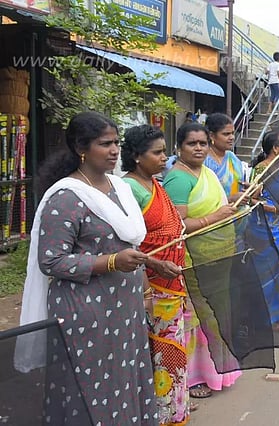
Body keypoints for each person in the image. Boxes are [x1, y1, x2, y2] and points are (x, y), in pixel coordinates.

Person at [18, 111, 157, 424]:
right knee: (92, 383)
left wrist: (151, 264)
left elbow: (126, 245)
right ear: (81, 148)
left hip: (124, 309)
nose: (114, 150)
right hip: (86, 313)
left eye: (116, 143)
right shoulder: (66, 197)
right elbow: (51, 260)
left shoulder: (119, 188)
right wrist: (111, 262)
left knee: (124, 378)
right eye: (105, 144)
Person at [162, 122, 241, 400]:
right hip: (195, 259)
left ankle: (219, 370)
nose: (198, 148)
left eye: (203, 143)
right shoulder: (178, 178)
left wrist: (233, 201)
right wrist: (214, 218)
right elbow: (177, 226)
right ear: (179, 147)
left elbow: (212, 204)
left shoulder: (205, 172)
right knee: (200, 315)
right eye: (191, 143)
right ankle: (196, 376)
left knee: (218, 312)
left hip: (218, 255)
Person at [121, 125, 191, 424]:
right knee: (158, 351)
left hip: (171, 280)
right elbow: (127, 244)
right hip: (150, 285)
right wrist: (152, 273)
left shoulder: (154, 184)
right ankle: (161, 413)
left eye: (165, 152)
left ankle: (174, 407)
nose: (165, 158)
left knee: (172, 349)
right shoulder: (128, 189)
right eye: (157, 152)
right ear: (137, 156)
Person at [250, 131, 279, 309]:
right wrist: (273, 209)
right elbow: (250, 198)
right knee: (269, 266)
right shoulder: (261, 169)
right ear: (276, 149)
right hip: (267, 226)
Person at [203, 113, 247, 202]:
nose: (232, 137)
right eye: (226, 134)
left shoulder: (232, 157)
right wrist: (229, 199)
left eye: (232, 133)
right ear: (211, 136)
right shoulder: (204, 161)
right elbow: (202, 197)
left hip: (238, 209)